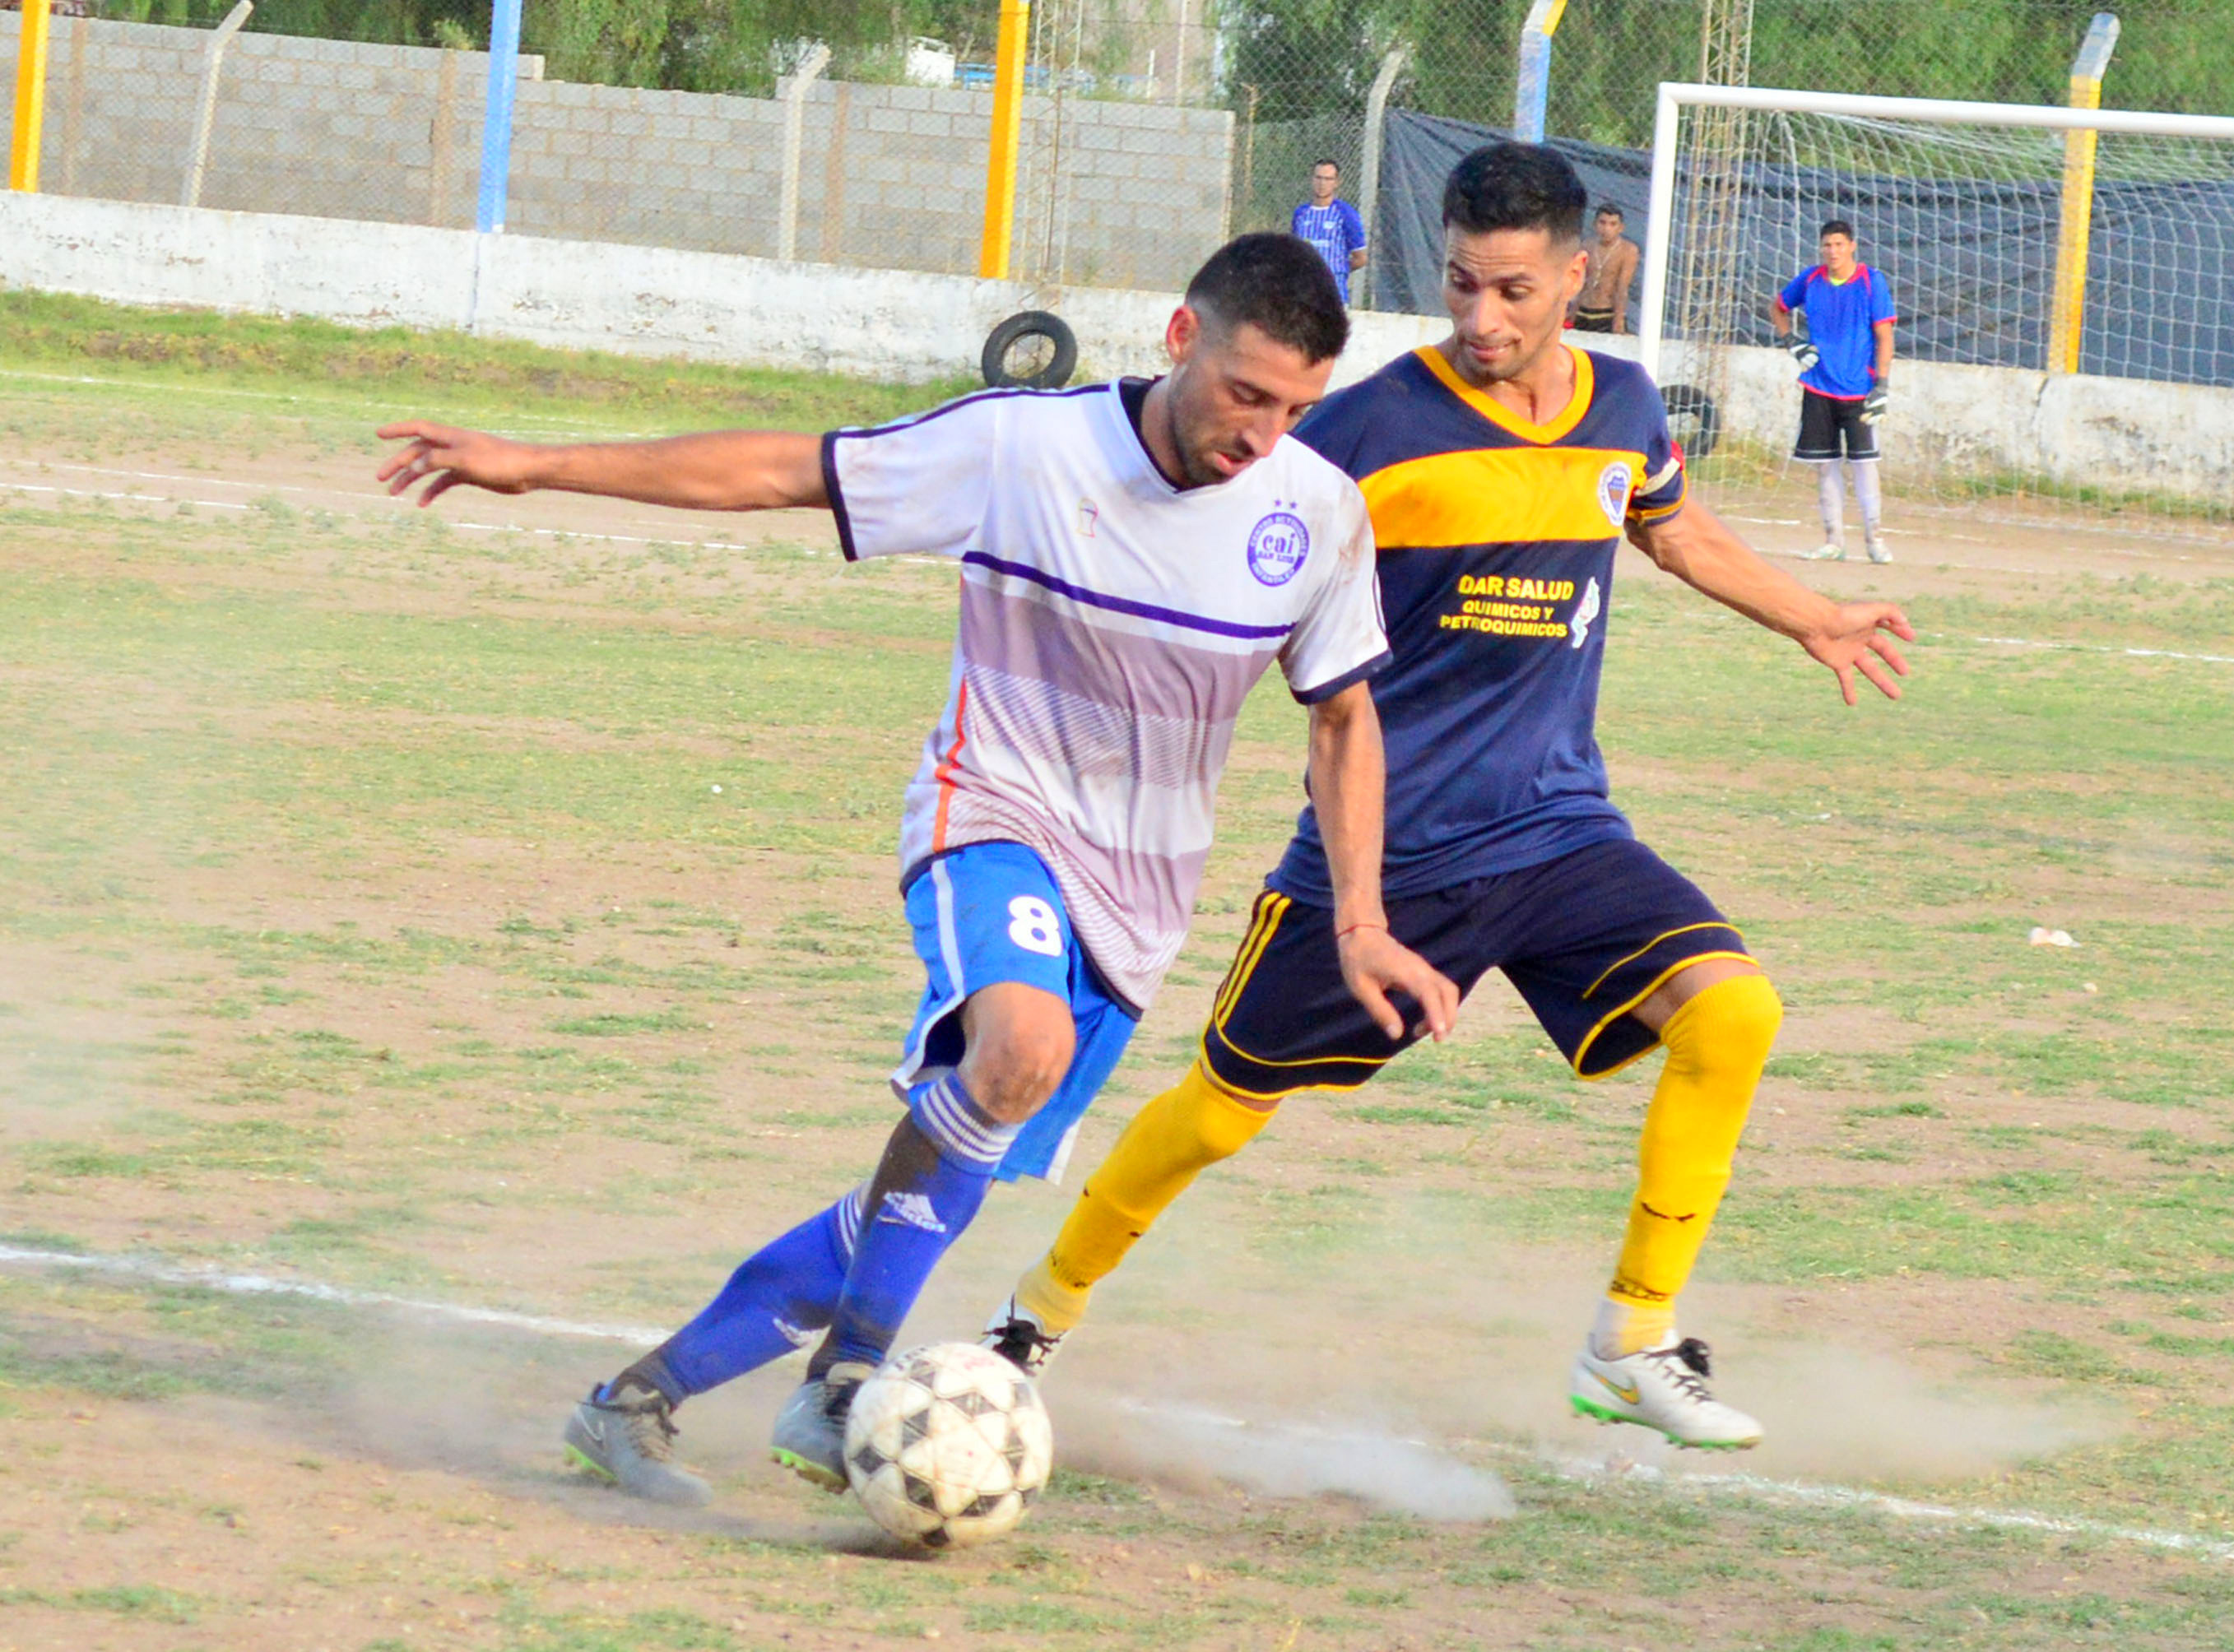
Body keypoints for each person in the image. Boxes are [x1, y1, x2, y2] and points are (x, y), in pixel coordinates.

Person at [373, 234, 1459, 1505]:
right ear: (1179, 339)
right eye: (1243, 392)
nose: (1260, 432)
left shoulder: (1315, 511)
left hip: (1137, 898)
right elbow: (786, 469)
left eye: (1294, 408)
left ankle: (634, 1405)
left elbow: (1341, 718)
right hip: (985, 810)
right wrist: (538, 463)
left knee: (935, 1178)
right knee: (1017, 1053)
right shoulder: (1023, 448)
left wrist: (1362, 921)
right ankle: (845, 1384)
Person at [978, 145, 1914, 1452]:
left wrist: (1812, 616)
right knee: (1217, 1114)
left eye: (1514, 290)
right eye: (1462, 285)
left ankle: (1631, 1339)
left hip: (1554, 829)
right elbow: (1218, 506)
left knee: (1734, 1012)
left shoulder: (1628, 406)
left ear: (1578, 276)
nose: (1482, 318)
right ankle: (1032, 1317)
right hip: (1382, 854)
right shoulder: (1368, 425)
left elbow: (1669, 526)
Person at [1772, 219, 1897, 564]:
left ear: (1852, 246)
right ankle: (1834, 540)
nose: (1833, 251)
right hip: (1819, 386)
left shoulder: (1872, 282)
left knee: (1865, 466)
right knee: (1825, 465)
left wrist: (1882, 385)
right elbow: (1778, 307)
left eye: (1839, 244)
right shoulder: (1811, 279)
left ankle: (1875, 539)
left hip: (1860, 390)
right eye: (1827, 245)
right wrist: (1791, 342)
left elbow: (1885, 335)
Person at [1291, 158, 1369, 306]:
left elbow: (1361, 258)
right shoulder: (1301, 214)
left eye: (1328, 179)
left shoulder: (1346, 214)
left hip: (1333, 296)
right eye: (1318, 178)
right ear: (1312, 179)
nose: (1322, 184)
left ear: (1336, 182)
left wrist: (1336, 269)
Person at [1570, 202, 1639, 334]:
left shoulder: (1628, 250)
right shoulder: (1587, 245)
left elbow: (1622, 287)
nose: (1606, 229)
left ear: (1621, 228)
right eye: (1602, 223)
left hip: (1606, 313)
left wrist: (1618, 321)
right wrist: (1572, 312)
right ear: (1595, 224)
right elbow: (1580, 282)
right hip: (1583, 311)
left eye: (1613, 224)